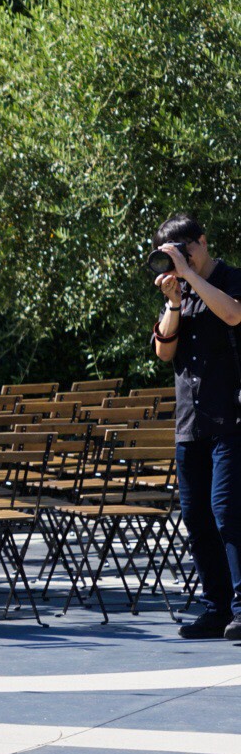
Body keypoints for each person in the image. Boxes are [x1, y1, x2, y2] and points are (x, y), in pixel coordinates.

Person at [152, 213, 241, 641]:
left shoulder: (230, 279)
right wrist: (173, 301)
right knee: (197, 517)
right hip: (190, 422)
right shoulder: (181, 292)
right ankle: (216, 608)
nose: (179, 261)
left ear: (202, 242)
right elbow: (163, 352)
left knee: (228, 512)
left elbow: (234, 314)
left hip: (232, 417)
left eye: (184, 251)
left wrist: (190, 275)